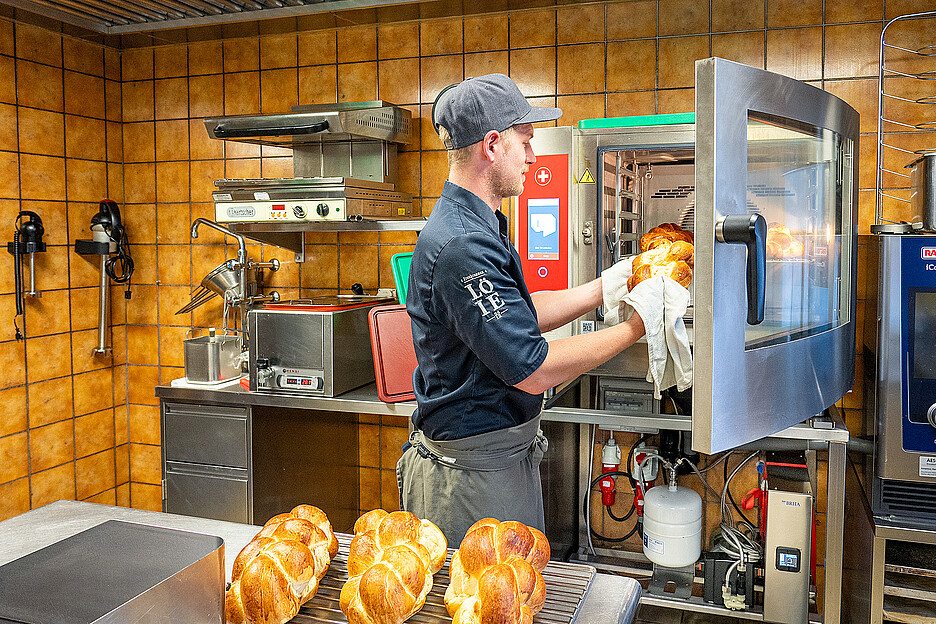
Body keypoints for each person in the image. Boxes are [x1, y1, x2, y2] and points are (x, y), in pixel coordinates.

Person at [397, 73, 647, 546]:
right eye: (525, 141)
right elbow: (532, 369)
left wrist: (608, 287)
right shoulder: (461, 244)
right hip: (471, 479)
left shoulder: (480, 222)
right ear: (492, 146)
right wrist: (635, 328)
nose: (533, 156)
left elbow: (520, 315)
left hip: (496, 462)